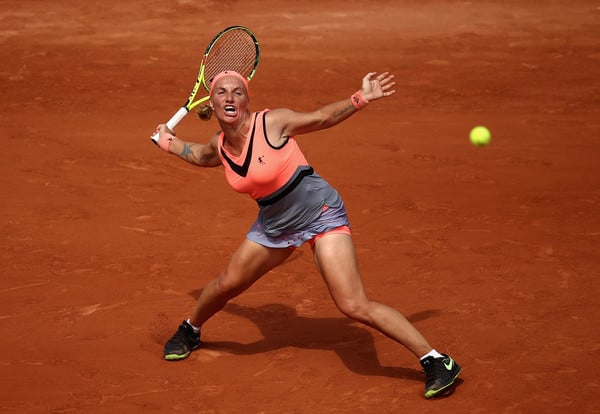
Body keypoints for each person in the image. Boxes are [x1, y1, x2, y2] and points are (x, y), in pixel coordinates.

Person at [152, 70, 461, 399]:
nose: (230, 97)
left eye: (237, 92)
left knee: (353, 305)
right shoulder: (221, 144)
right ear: (211, 103)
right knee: (228, 283)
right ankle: (191, 330)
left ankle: (436, 361)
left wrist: (360, 98)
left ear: (247, 100)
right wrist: (169, 142)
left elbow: (322, 118)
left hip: (320, 215)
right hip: (275, 224)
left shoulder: (273, 123)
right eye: (222, 93)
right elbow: (202, 155)